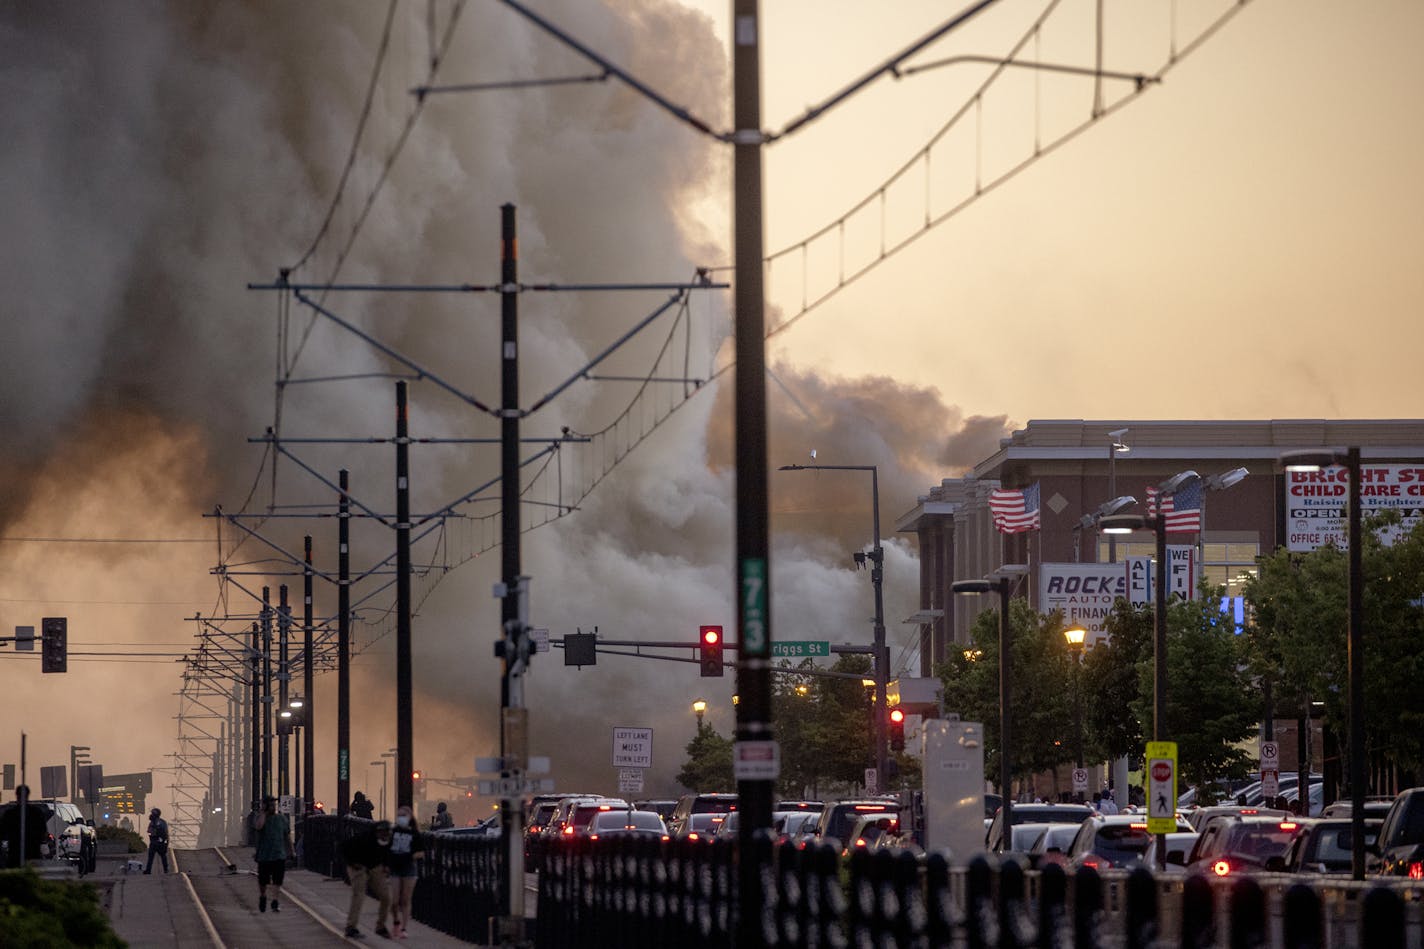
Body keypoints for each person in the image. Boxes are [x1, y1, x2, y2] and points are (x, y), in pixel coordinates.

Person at [342, 819, 393, 938]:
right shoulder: (364, 839)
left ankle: (380, 926)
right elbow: (344, 848)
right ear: (377, 832)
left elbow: (387, 853)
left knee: (386, 897)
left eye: (387, 835)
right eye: (383, 834)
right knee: (359, 894)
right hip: (358, 866)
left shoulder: (388, 841)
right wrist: (352, 863)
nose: (385, 837)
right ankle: (351, 926)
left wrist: (386, 866)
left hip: (375, 866)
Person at [386, 804, 424, 939]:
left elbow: (421, 852)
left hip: (409, 868)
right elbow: (386, 848)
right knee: (394, 901)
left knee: (406, 899)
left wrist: (410, 856)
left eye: (404, 816)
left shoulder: (414, 833)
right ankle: (396, 921)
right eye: (399, 816)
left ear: (409, 817)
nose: (401, 818)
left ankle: (404, 928)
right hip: (395, 867)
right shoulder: (393, 831)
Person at [253, 795, 294, 913]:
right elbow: (258, 826)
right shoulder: (260, 818)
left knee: (277, 880)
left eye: (274, 805)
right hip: (264, 855)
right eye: (270, 805)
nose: (273, 807)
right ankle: (263, 896)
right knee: (263, 881)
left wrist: (291, 851)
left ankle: (275, 901)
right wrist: (263, 813)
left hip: (279, 854)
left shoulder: (281, 819)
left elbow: (287, 836)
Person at [1, 786, 49, 868]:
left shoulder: (10, 814)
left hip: (15, 854)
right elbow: (43, 833)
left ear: (16, 795)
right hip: (33, 854)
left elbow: (2, 833)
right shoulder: (36, 813)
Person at [144, 808, 170, 874]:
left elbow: (150, 831)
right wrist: (166, 843)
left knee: (152, 857)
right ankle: (165, 869)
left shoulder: (154, 822)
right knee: (162, 856)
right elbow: (166, 833)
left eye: (152, 813)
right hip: (160, 842)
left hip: (156, 842)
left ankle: (148, 870)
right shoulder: (163, 822)